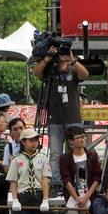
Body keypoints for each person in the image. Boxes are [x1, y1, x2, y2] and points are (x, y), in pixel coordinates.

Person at [32, 38, 89, 194]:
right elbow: (36, 73)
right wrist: (48, 58)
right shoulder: (51, 69)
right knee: (56, 153)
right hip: (55, 119)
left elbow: (85, 74)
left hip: (73, 118)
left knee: (77, 150)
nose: (63, 56)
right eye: (61, 53)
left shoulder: (72, 68)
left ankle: (79, 181)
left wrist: (73, 60)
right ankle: (57, 183)